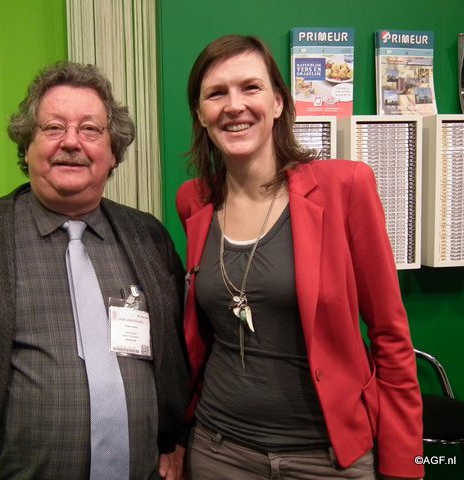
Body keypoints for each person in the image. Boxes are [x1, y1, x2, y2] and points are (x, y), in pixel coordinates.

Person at [0, 61, 189, 480]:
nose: (71, 142)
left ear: (113, 152)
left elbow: (177, 355)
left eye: (90, 129)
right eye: (53, 128)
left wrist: (175, 439)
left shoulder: (149, 237)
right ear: (26, 147)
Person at [176, 35, 423, 480]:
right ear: (200, 113)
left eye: (250, 87)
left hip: (327, 458)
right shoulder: (194, 201)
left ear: (277, 102)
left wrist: (407, 465)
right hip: (218, 451)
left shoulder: (344, 188)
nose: (234, 105)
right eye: (216, 93)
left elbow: (390, 334)